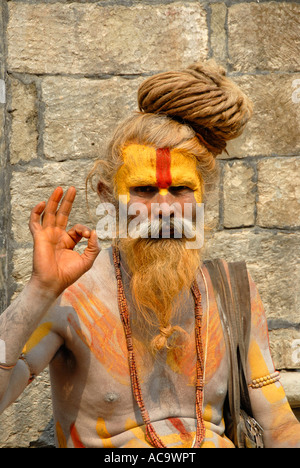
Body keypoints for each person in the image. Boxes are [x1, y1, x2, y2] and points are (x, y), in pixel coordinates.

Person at [0, 60, 299, 449]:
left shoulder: (233, 290)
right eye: (143, 190)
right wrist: (40, 289)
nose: (164, 209)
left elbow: (279, 423)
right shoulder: (73, 296)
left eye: (180, 189)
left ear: (203, 196)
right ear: (109, 197)